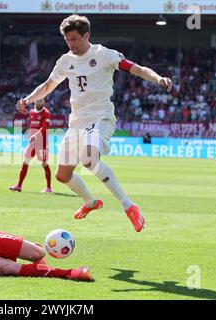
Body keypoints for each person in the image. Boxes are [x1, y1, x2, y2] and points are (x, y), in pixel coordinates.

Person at [16, 15, 172, 232]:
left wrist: (158, 78)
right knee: (63, 175)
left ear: (86, 35)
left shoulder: (104, 55)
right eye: (67, 40)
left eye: (74, 39)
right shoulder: (65, 61)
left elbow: (136, 68)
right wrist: (28, 99)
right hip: (77, 122)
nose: (71, 44)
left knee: (89, 160)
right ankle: (90, 202)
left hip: (101, 117)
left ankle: (129, 206)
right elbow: (48, 85)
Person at [9, 99, 52, 193]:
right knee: (25, 162)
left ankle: (48, 187)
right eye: (37, 101)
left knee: (44, 163)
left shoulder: (46, 112)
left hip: (42, 143)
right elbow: (31, 126)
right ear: (34, 102)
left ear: (43, 102)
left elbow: (45, 127)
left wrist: (35, 136)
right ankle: (19, 185)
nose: (38, 102)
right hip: (32, 143)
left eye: (40, 101)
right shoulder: (32, 112)